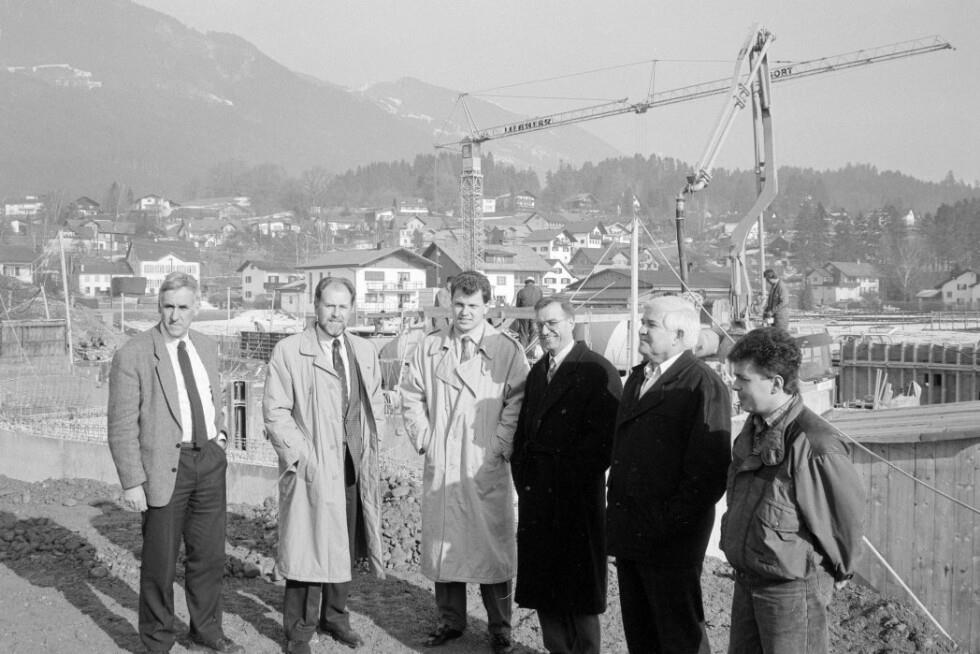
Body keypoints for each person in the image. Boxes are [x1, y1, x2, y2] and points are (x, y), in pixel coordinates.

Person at [107, 272, 242, 654]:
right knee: (160, 562)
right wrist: (132, 482)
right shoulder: (134, 353)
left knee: (209, 556)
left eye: (183, 307)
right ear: (159, 306)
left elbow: (213, 399)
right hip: (165, 468)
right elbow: (120, 425)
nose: (175, 315)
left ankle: (206, 631)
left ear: (196, 307)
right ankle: (157, 641)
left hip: (209, 462)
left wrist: (221, 437)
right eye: (168, 307)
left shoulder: (206, 346)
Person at [399, 269, 529, 654]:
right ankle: (450, 621)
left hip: (483, 462)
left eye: (473, 305)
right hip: (443, 461)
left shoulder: (506, 350)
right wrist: (425, 438)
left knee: (492, 548)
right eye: (458, 304)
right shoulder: (429, 347)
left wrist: (499, 444)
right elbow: (411, 395)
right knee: (445, 543)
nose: (465, 312)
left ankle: (500, 628)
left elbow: (518, 401)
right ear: (449, 304)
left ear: (487, 306)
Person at [722, 327, 865, 654]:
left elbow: (844, 519)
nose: (735, 385)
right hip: (748, 581)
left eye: (743, 378)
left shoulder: (815, 443)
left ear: (775, 383)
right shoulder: (753, 430)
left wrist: (842, 570)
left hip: (791, 591)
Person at [263, 276, 386, 654]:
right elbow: (275, 412)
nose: (336, 313)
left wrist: (371, 446)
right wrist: (303, 457)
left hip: (352, 462)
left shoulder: (363, 350)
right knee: (306, 547)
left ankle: (335, 616)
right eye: (329, 305)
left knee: (341, 544)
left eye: (343, 306)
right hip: (311, 468)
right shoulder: (289, 352)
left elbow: (374, 400)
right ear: (315, 306)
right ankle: (299, 631)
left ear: (352, 309)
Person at [606, 295, 731, 654]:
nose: (641, 330)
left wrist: (666, 523)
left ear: (678, 335)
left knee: (679, 636)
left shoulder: (702, 384)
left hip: (671, 540)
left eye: (650, 324)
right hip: (632, 532)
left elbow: (708, 474)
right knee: (641, 634)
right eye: (642, 323)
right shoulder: (638, 378)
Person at [511, 297, 622, 654]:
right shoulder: (538, 373)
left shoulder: (597, 370)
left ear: (571, 323)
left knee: (579, 592)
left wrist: (564, 480)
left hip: (576, 502)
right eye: (540, 324)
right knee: (545, 589)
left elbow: (604, 444)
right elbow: (522, 436)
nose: (545, 331)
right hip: (538, 499)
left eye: (553, 323)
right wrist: (526, 480)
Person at [514, 276, 543, 349]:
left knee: (523, 333)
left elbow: (517, 306)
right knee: (534, 333)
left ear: (526, 283)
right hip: (535, 315)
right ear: (533, 282)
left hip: (523, 315)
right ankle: (531, 351)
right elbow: (542, 304)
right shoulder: (539, 291)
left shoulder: (521, 291)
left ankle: (522, 351)